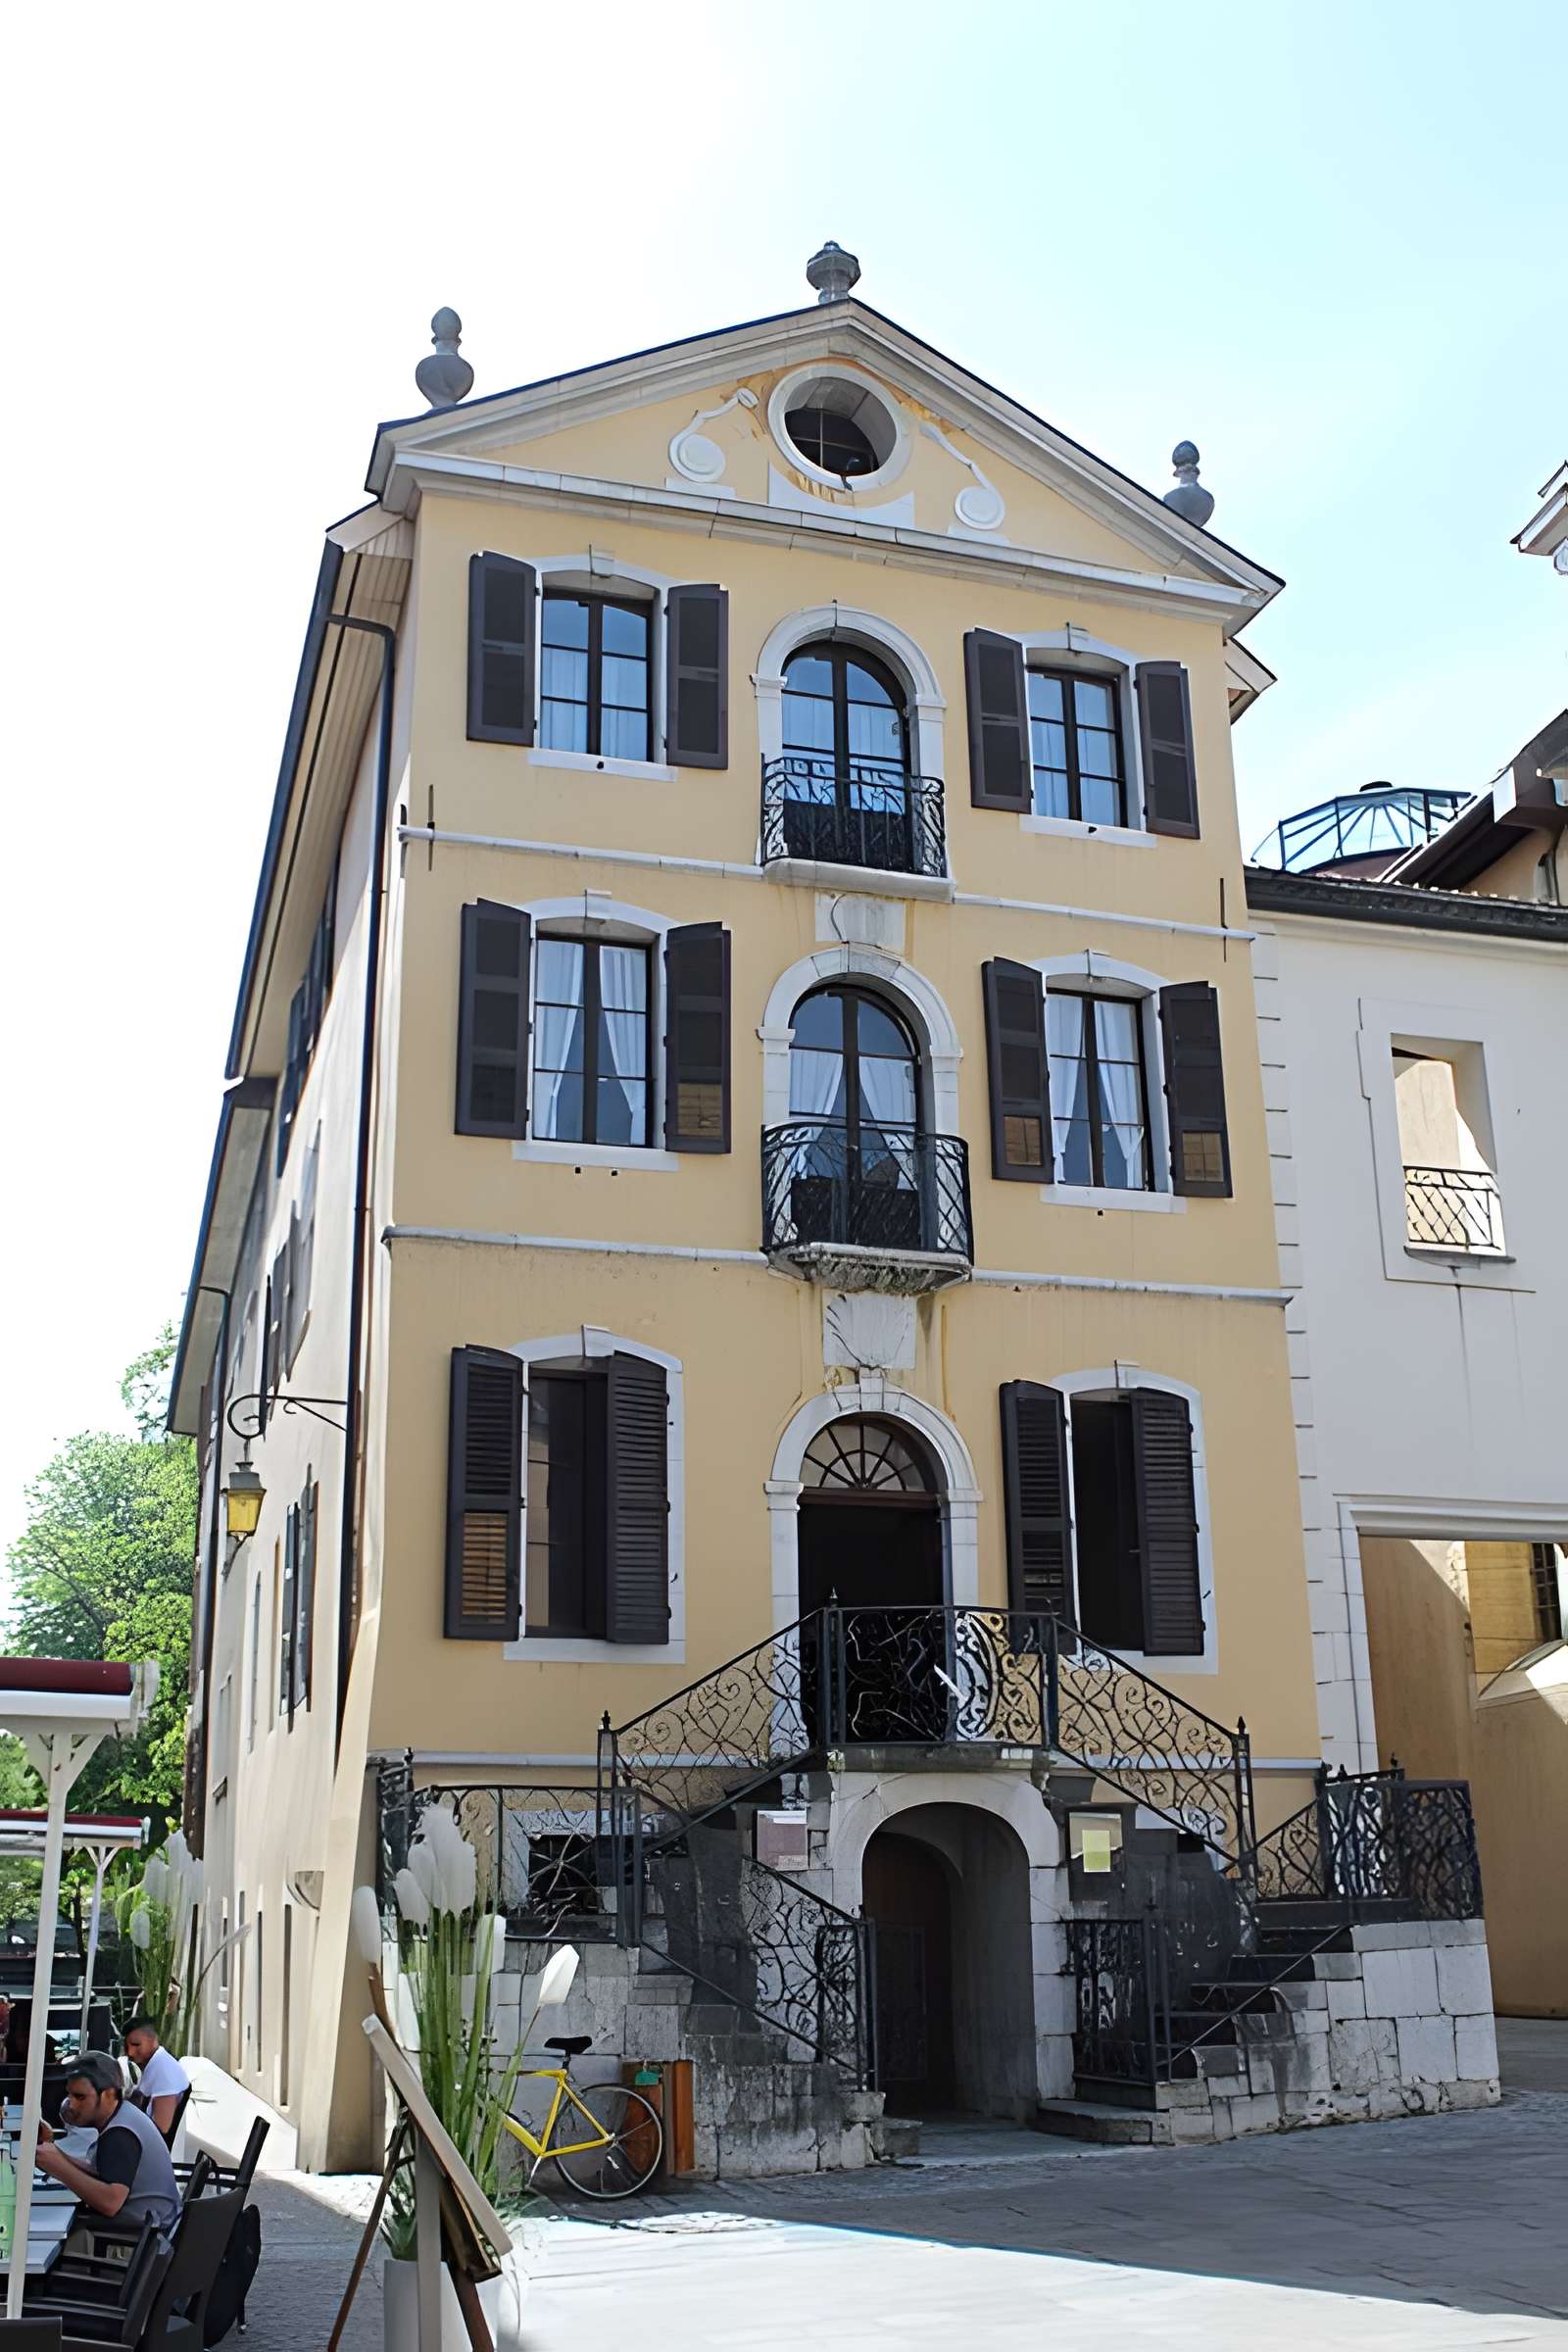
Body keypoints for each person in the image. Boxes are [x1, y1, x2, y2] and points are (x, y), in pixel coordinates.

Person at [33, 2051, 181, 2234]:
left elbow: (110, 2202)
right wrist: (54, 2154)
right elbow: (101, 2175)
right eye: (69, 2095)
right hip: (149, 2229)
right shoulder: (123, 2117)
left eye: (80, 2097)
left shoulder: (120, 2134)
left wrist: (59, 2167)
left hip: (140, 2242)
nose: (70, 2105)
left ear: (108, 2095)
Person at [122, 2015, 190, 2141]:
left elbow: (161, 2129)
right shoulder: (157, 2063)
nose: (130, 2052)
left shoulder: (164, 2073)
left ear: (153, 2040)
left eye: (136, 2045)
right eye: (127, 2046)